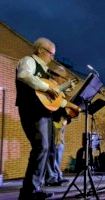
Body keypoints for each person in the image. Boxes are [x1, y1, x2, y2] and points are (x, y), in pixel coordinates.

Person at [16, 37, 80, 200]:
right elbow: (24, 75)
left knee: (46, 149)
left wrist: (70, 104)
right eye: (51, 54)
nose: (52, 58)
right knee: (41, 148)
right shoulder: (28, 61)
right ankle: (29, 191)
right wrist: (46, 87)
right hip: (32, 110)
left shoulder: (45, 72)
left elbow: (53, 97)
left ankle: (35, 188)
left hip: (45, 113)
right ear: (40, 50)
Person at [45, 108, 70, 186]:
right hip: (53, 141)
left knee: (57, 161)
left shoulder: (64, 119)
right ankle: (55, 177)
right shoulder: (53, 116)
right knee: (52, 160)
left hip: (60, 141)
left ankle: (56, 178)